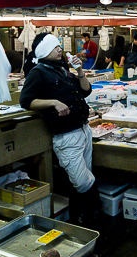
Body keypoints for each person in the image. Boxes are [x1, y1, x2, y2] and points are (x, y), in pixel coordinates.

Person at [19, 32, 99, 224]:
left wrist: (80, 72)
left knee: (80, 181)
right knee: (83, 181)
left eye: (59, 47)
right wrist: (53, 102)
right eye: (56, 47)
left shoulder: (62, 68)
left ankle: (80, 221)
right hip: (66, 135)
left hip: (83, 130)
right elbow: (26, 101)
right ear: (45, 50)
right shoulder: (38, 72)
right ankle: (94, 218)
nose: (60, 50)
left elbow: (86, 91)